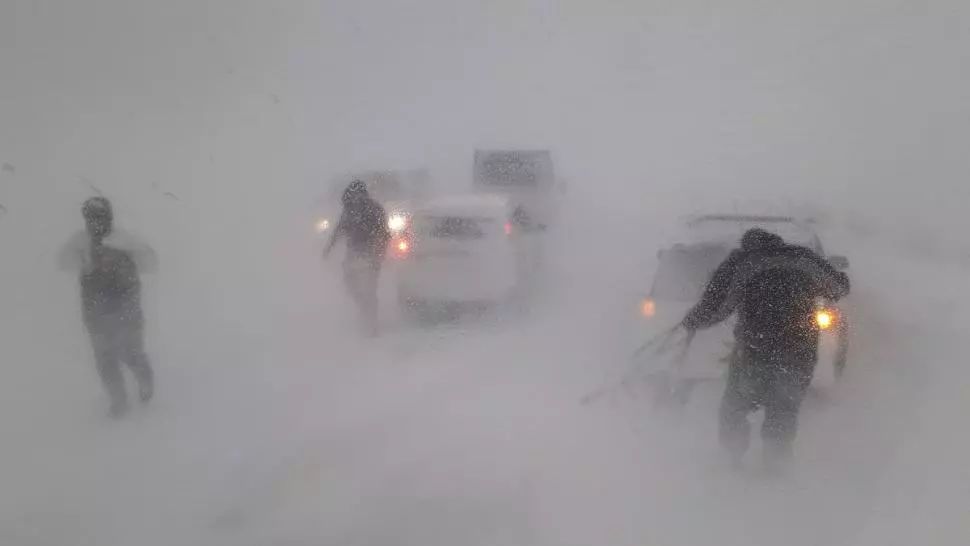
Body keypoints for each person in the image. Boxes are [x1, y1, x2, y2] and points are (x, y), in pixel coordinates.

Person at [680, 228, 850, 471]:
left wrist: (692, 321)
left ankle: (731, 460)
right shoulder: (802, 257)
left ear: (747, 245)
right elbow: (839, 288)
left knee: (735, 408)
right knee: (783, 409)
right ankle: (775, 468)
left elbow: (718, 306)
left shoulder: (742, 262)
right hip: (797, 353)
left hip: (755, 352)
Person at [59, 197, 157, 417]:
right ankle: (118, 400)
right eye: (90, 218)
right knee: (105, 360)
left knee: (130, 353)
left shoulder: (123, 241)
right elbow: (63, 261)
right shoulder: (81, 243)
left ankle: (145, 383)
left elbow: (150, 262)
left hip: (126, 312)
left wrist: (120, 255)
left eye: (99, 217)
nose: (95, 223)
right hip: (95, 315)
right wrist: (83, 256)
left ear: (109, 217)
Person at [323, 181, 390, 336]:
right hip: (354, 252)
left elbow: (385, 234)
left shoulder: (374, 210)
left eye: (355, 196)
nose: (353, 200)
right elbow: (339, 229)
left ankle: (372, 323)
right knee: (351, 284)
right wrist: (329, 248)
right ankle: (365, 309)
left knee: (369, 289)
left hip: (371, 253)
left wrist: (378, 254)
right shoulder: (350, 210)